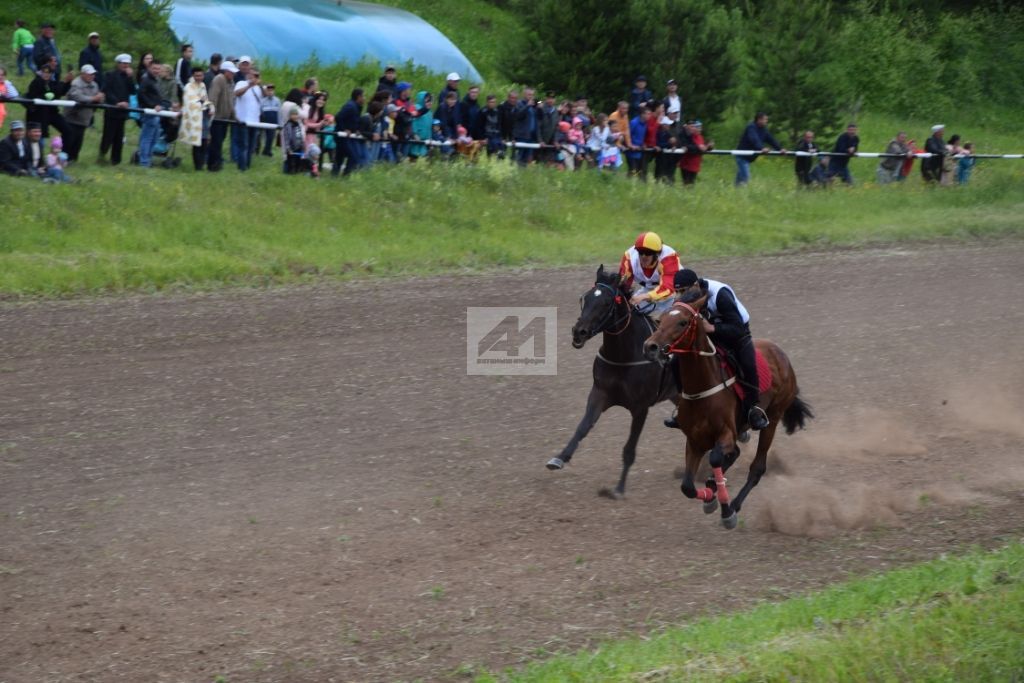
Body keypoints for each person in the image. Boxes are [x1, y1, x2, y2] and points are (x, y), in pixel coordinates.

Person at [665, 268, 770, 433]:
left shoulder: (720, 295)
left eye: (683, 291)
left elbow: (737, 328)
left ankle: (753, 409)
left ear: (695, 285)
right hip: (708, 335)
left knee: (748, 364)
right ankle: (682, 406)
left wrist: (711, 328)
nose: (680, 296)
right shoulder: (685, 299)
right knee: (675, 362)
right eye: (677, 291)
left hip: (738, 334)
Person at [618, 231, 682, 319]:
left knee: (673, 322)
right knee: (627, 313)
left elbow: (668, 289)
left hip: (676, 292)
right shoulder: (629, 257)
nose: (643, 256)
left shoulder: (668, 257)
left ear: (657, 254)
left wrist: (644, 296)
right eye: (641, 252)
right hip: (648, 290)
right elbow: (622, 286)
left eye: (648, 252)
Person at [99, 53, 135, 166]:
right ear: (118, 64)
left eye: (127, 64)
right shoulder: (110, 75)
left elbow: (133, 91)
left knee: (119, 137)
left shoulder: (128, 77)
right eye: (124, 64)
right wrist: (116, 102)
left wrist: (130, 78)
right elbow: (106, 90)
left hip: (122, 111)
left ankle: (116, 160)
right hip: (112, 109)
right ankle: (102, 155)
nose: (126, 66)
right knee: (108, 135)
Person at [64, 63, 104, 162]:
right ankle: (64, 159)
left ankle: (74, 159)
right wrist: (94, 98)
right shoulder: (75, 83)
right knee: (69, 140)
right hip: (72, 118)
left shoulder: (95, 85)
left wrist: (100, 98)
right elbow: (78, 97)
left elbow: (99, 98)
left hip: (84, 119)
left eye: (93, 74)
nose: (92, 76)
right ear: (83, 74)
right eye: (90, 74)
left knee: (78, 142)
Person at [734, 111, 784, 187]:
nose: (766, 121)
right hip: (742, 156)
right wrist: (762, 148)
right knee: (746, 177)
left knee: (740, 178)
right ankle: (743, 195)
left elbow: (771, 140)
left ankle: (735, 192)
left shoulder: (763, 130)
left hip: (748, 158)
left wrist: (780, 149)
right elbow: (754, 139)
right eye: (765, 119)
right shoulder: (751, 127)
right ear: (759, 120)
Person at [25, 61, 71, 142]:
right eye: (44, 72)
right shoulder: (36, 82)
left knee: (68, 131)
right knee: (39, 138)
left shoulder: (53, 83)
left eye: (48, 73)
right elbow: (31, 97)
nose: (46, 74)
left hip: (52, 112)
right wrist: (44, 97)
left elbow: (60, 91)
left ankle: (62, 152)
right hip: (38, 114)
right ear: (41, 72)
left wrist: (67, 83)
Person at [205, 60, 237, 171]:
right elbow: (213, 97)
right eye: (231, 72)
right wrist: (212, 111)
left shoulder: (231, 83)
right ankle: (213, 165)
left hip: (225, 118)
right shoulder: (219, 79)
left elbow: (231, 101)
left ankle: (215, 163)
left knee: (220, 141)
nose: (233, 74)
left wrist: (234, 117)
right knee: (216, 142)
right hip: (217, 118)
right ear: (225, 71)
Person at [180, 66, 213, 170]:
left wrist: (210, 106)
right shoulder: (188, 87)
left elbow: (205, 99)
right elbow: (189, 101)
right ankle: (197, 165)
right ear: (193, 76)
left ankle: (202, 163)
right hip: (194, 116)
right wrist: (201, 102)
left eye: (200, 75)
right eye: (196, 75)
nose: (199, 78)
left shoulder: (203, 85)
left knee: (204, 140)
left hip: (203, 116)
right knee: (196, 142)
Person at [231, 67, 262, 171]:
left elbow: (266, 95)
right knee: (243, 145)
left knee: (251, 146)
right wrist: (249, 85)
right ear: (248, 74)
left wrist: (260, 84)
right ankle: (242, 167)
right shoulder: (241, 83)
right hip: (243, 120)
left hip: (255, 121)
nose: (254, 77)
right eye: (253, 74)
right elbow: (236, 93)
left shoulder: (259, 88)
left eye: (256, 75)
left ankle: (247, 165)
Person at [135, 59, 164, 168]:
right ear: (149, 68)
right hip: (149, 113)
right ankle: (144, 162)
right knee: (147, 138)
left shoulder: (156, 80)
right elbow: (140, 95)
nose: (156, 71)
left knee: (154, 138)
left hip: (157, 113)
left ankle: (148, 159)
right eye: (154, 68)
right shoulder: (146, 79)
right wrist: (152, 106)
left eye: (158, 68)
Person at [679, 120, 713, 186]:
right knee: (687, 183)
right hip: (687, 164)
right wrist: (702, 148)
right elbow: (691, 148)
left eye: (700, 128)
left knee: (691, 183)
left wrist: (709, 147)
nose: (699, 129)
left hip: (695, 164)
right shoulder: (689, 136)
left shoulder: (700, 137)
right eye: (697, 127)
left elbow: (702, 150)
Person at [511, 87, 539, 166]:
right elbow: (518, 115)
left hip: (530, 137)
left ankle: (524, 172)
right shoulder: (519, 103)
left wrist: (540, 103)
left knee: (527, 159)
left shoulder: (534, 104)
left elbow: (540, 101)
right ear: (524, 94)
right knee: (519, 157)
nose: (531, 96)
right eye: (529, 94)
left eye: (532, 95)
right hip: (521, 136)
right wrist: (527, 106)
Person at [258, 83, 280, 156]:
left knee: (271, 136)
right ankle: (257, 149)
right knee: (261, 136)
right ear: (266, 91)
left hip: (273, 121)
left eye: (272, 90)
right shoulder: (263, 101)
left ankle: (267, 150)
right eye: (269, 90)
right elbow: (260, 110)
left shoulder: (277, 100)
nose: (270, 92)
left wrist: (279, 123)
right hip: (264, 120)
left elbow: (279, 112)